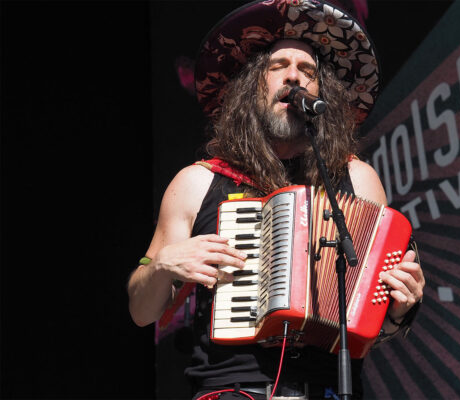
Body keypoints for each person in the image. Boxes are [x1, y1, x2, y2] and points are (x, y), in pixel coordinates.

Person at [128, 1, 425, 399]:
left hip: (331, 389)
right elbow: (141, 311)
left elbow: (372, 324)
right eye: (278, 66)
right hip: (233, 390)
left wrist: (402, 308)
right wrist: (163, 264)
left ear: (323, 94)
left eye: (307, 71)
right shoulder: (198, 182)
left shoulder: (357, 179)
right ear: (252, 86)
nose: (294, 78)